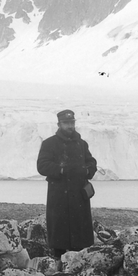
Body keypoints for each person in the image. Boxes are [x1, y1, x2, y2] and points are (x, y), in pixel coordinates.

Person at [36, 109, 98, 254]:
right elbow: (42, 166)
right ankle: (58, 255)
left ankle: (79, 255)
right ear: (59, 124)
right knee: (59, 231)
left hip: (79, 194)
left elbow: (91, 162)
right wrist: (61, 170)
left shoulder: (82, 144)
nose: (70, 126)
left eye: (72, 123)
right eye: (66, 123)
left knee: (80, 230)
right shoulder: (49, 143)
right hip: (59, 194)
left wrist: (88, 170)